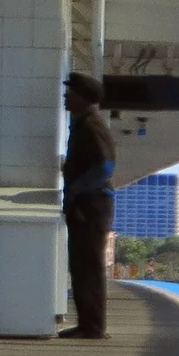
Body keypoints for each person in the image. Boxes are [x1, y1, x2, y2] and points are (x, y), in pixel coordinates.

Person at [60, 74, 115, 340]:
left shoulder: (92, 125)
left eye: (71, 92)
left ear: (83, 97)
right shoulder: (82, 123)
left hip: (92, 205)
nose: (66, 96)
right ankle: (87, 323)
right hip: (85, 202)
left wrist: (77, 188)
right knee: (81, 264)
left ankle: (93, 326)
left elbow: (105, 167)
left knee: (89, 264)